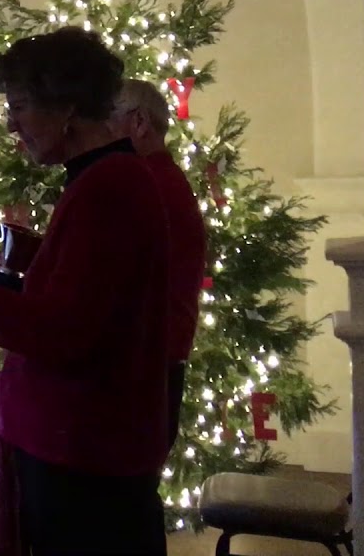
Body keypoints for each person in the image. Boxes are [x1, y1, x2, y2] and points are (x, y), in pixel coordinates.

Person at [0, 27, 171, 555]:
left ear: (66, 107)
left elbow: (61, 332)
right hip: (88, 448)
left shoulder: (108, 187)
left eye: (19, 106)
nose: (10, 123)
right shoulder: (102, 178)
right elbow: (72, 274)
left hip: (85, 456)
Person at [110, 78, 208, 453]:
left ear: (139, 123)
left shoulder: (148, 186)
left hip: (142, 370)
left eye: (108, 120)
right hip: (151, 363)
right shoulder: (160, 180)